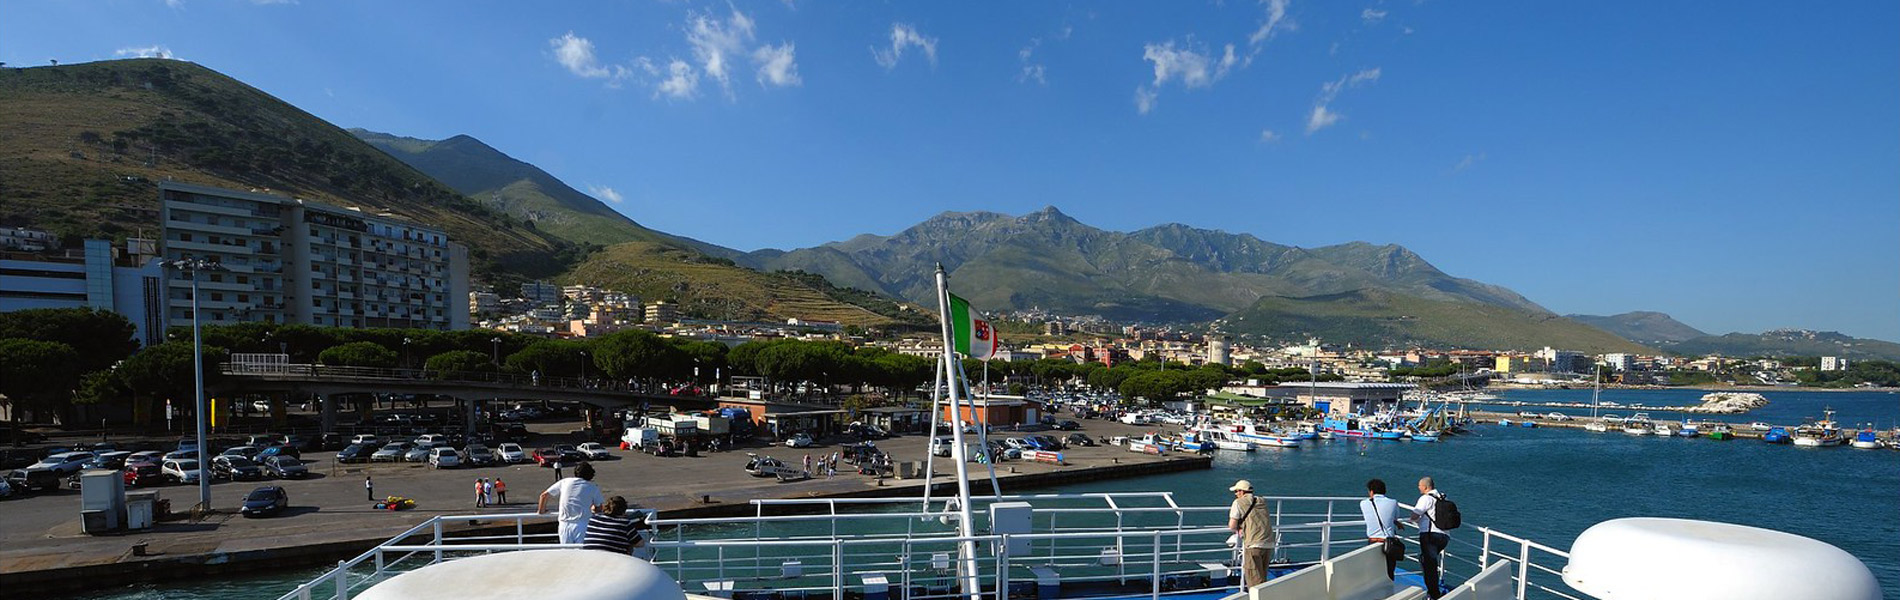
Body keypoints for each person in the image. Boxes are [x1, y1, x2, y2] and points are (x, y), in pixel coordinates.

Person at [539, 462, 606, 545]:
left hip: (564, 524)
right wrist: (592, 508)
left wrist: (541, 511)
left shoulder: (565, 482)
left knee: (566, 553)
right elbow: (599, 508)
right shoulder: (592, 487)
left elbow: (544, 495)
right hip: (583, 524)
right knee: (581, 553)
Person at [1227, 480, 1275, 588]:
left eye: (1236, 491)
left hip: (1253, 543)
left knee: (1254, 581)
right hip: (1268, 542)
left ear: (1241, 492)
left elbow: (1232, 525)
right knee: (1263, 577)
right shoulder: (1262, 501)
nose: (1235, 494)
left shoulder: (1238, 503)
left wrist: (1239, 528)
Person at [1411, 477, 1451, 599]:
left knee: (1429, 566)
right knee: (1426, 560)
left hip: (1430, 536)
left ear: (1426, 487)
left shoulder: (1425, 498)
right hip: (1444, 537)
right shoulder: (1442, 497)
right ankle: (1433, 591)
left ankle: (1433, 595)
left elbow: (1414, 515)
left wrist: (1414, 521)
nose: (1418, 487)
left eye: (1419, 485)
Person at [1359, 478, 1404, 580]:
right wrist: (1396, 522)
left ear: (1371, 491)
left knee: (1373, 571)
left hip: (1373, 541)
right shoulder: (1393, 502)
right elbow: (1395, 517)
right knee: (1390, 571)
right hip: (1389, 543)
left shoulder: (1363, 503)